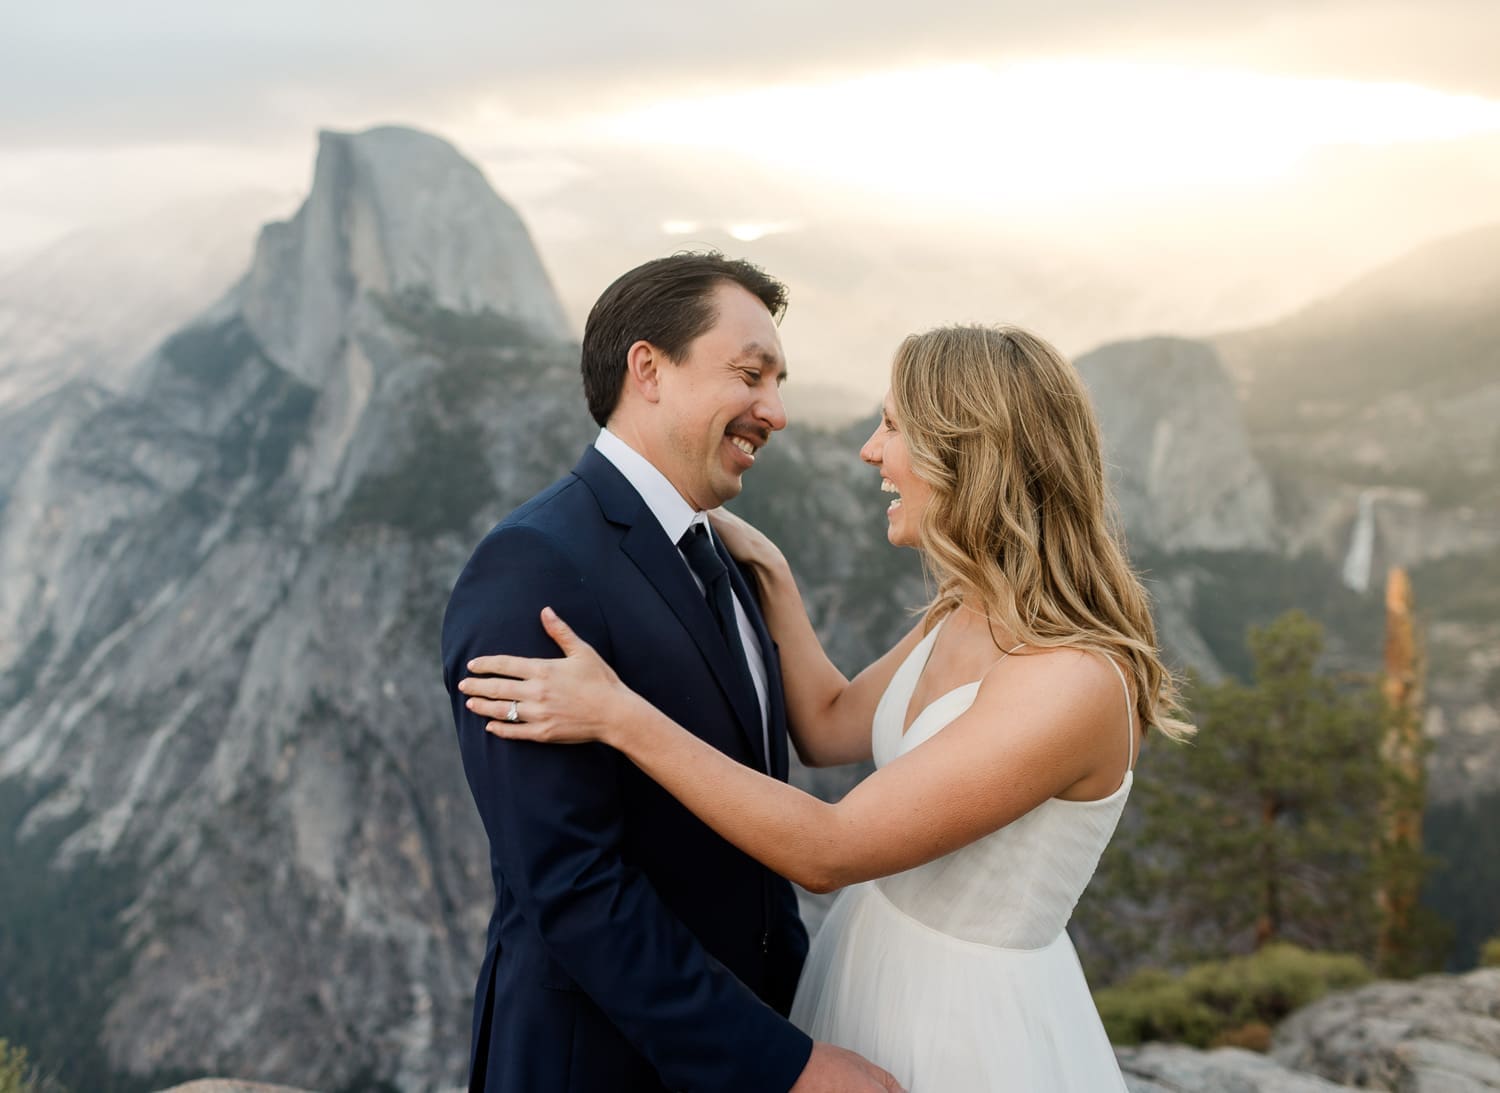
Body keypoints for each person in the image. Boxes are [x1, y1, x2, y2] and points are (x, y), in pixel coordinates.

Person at [460, 324, 1194, 1091]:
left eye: (894, 427)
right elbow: (828, 722)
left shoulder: (1072, 680)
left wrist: (619, 714)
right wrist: (772, 575)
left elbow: (830, 850)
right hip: (866, 977)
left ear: (972, 450)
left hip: (965, 1028)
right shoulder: (964, 610)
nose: (870, 451)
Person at [441, 252, 902, 1092]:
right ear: (648, 369)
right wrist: (783, 1066)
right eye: (751, 374)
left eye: (781, 380)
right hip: (600, 1066)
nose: (778, 411)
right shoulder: (532, 567)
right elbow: (574, 886)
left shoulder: (726, 555)